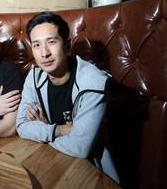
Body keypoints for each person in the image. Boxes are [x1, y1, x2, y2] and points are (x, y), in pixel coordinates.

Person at [16, 12, 119, 184]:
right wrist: (58, 129)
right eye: (36, 45)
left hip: (95, 173)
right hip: (53, 162)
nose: (44, 53)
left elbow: (80, 147)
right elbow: (21, 126)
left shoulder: (93, 81)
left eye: (51, 42)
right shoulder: (34, 77)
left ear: (67, 44)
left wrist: (43, 129)